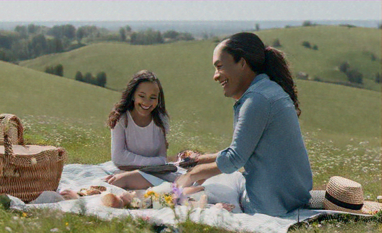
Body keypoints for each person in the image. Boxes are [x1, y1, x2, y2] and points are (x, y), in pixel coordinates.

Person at [176, 32, 313, 217]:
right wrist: (201, 160)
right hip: (293, 195)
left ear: (242, 63)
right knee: (219, 178)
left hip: (269, 204)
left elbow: (234, 159)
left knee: (199, 189)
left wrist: (193, 174)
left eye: (219, 67)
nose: (215, 76)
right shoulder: (269, 90)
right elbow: (244, 149)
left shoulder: (257, 99)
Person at [103, 70, 172, 190]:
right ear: (133, 95)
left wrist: (138, 165)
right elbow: (118, 158)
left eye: (153, 97)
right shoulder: (121, 118)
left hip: (153, 175)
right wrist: (152, 163)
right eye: (141, 96)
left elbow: (162, 160)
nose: (146, 102)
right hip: (125, 173)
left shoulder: (161, 120)